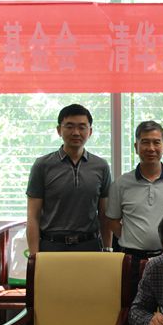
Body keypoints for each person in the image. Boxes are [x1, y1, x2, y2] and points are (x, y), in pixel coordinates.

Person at [105, 121, 163, 294]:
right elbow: (112, 221)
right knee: (133, 304)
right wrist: (131, 236)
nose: (151, 148)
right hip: (132, 260)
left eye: (156, 142)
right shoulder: (121, 183)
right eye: (145, 142)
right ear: (136, 147)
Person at [26, 103, 111, 254]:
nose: (76, 132)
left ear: (90, 131)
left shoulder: (101, 166)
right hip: (52, 246)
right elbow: (33, 216)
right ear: (59, 130)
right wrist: (34, 256)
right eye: (70, 126)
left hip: (89, 246)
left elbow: (104, 215)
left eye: (82, 127)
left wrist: (108, 249)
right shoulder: (42, 165)